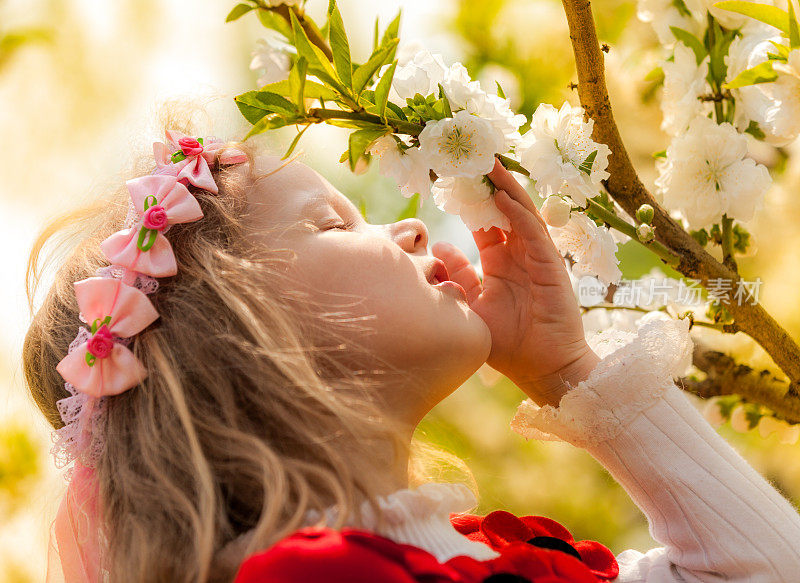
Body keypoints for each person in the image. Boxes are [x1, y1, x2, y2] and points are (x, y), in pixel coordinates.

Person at [23, 124, 800, 583]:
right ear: (246, 329)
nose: (411, 228)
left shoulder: (510, 553)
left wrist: (565, 369)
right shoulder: (315, 575)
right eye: (333, 224)